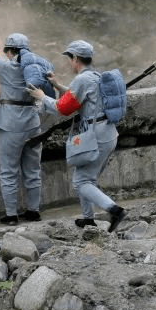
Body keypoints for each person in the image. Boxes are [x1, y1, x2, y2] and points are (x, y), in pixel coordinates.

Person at [29, 40, 126, 232]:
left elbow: (63, 108)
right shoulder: (94, 76)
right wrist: (57, 85)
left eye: (69, 59)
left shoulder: (83, 79)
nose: (69, 63)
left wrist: (41, 97)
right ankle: (88, 219)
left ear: (75, 59)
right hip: (108, 133)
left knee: (81, 182)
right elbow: (77, 97)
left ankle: (115, 210)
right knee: (87, 179)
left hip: (96, 136)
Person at [0, 31, 49, 225]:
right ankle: (33, 211)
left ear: (10, 51)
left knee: (9, 171)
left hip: (11, 124)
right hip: (33, 123)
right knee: (33, 170)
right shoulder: (36, 67)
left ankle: (11, 215)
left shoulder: (5, 67)